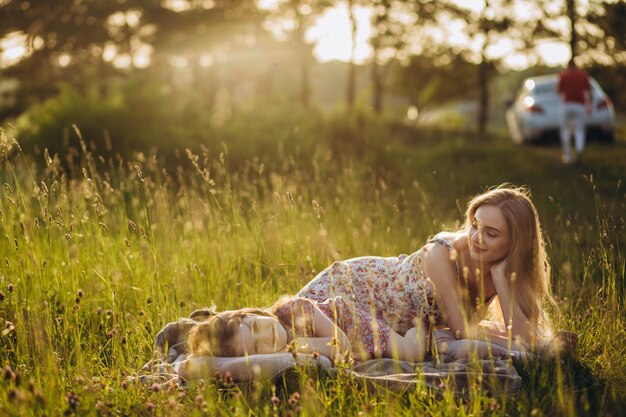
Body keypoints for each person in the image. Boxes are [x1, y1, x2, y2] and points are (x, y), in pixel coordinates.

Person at [298, 184, 560, 355]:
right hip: (353, 290)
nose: (477, 238)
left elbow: (524, 337)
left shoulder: (502, 266)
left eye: (491, 234)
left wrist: (502, 278)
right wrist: (532, 347)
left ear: (516, 243)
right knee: (292, 330)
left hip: (393, 331)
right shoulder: (442, 254)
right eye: (475, 225)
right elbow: (464, 332)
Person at [187, 295, 430, 364]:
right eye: (256, 346)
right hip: (347, 347)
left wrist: (295, 346)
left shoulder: (293, 309)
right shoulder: (274, 360)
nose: (266, 336)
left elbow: (342, 346)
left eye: (257, 327)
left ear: (255, 314)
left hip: (348, 324)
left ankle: (423, 324)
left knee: (412, 352)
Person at [557, 59, 592, 164]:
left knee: (565, 130)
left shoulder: (563, 75)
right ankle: (579, 151)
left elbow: (559, 91)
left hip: (567, 105)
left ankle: (568, 156)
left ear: (568, 66)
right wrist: (589, 106)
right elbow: (589, 91)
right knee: (579, 130)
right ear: (576, 66)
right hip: (580, 105)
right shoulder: (583, 75)